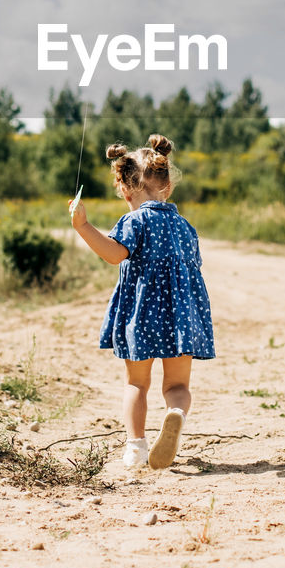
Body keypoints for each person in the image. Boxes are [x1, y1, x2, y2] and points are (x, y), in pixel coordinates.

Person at [69, 134, 215, 471]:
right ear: (168, 187)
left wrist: (83, 225)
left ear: (124, 188)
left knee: (137, 383)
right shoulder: (185, 227)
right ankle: (175, 413)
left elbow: (113, 254)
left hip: (142, 314)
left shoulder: (134, 221)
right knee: (177, 386)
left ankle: (135, 447)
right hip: (182, 317)